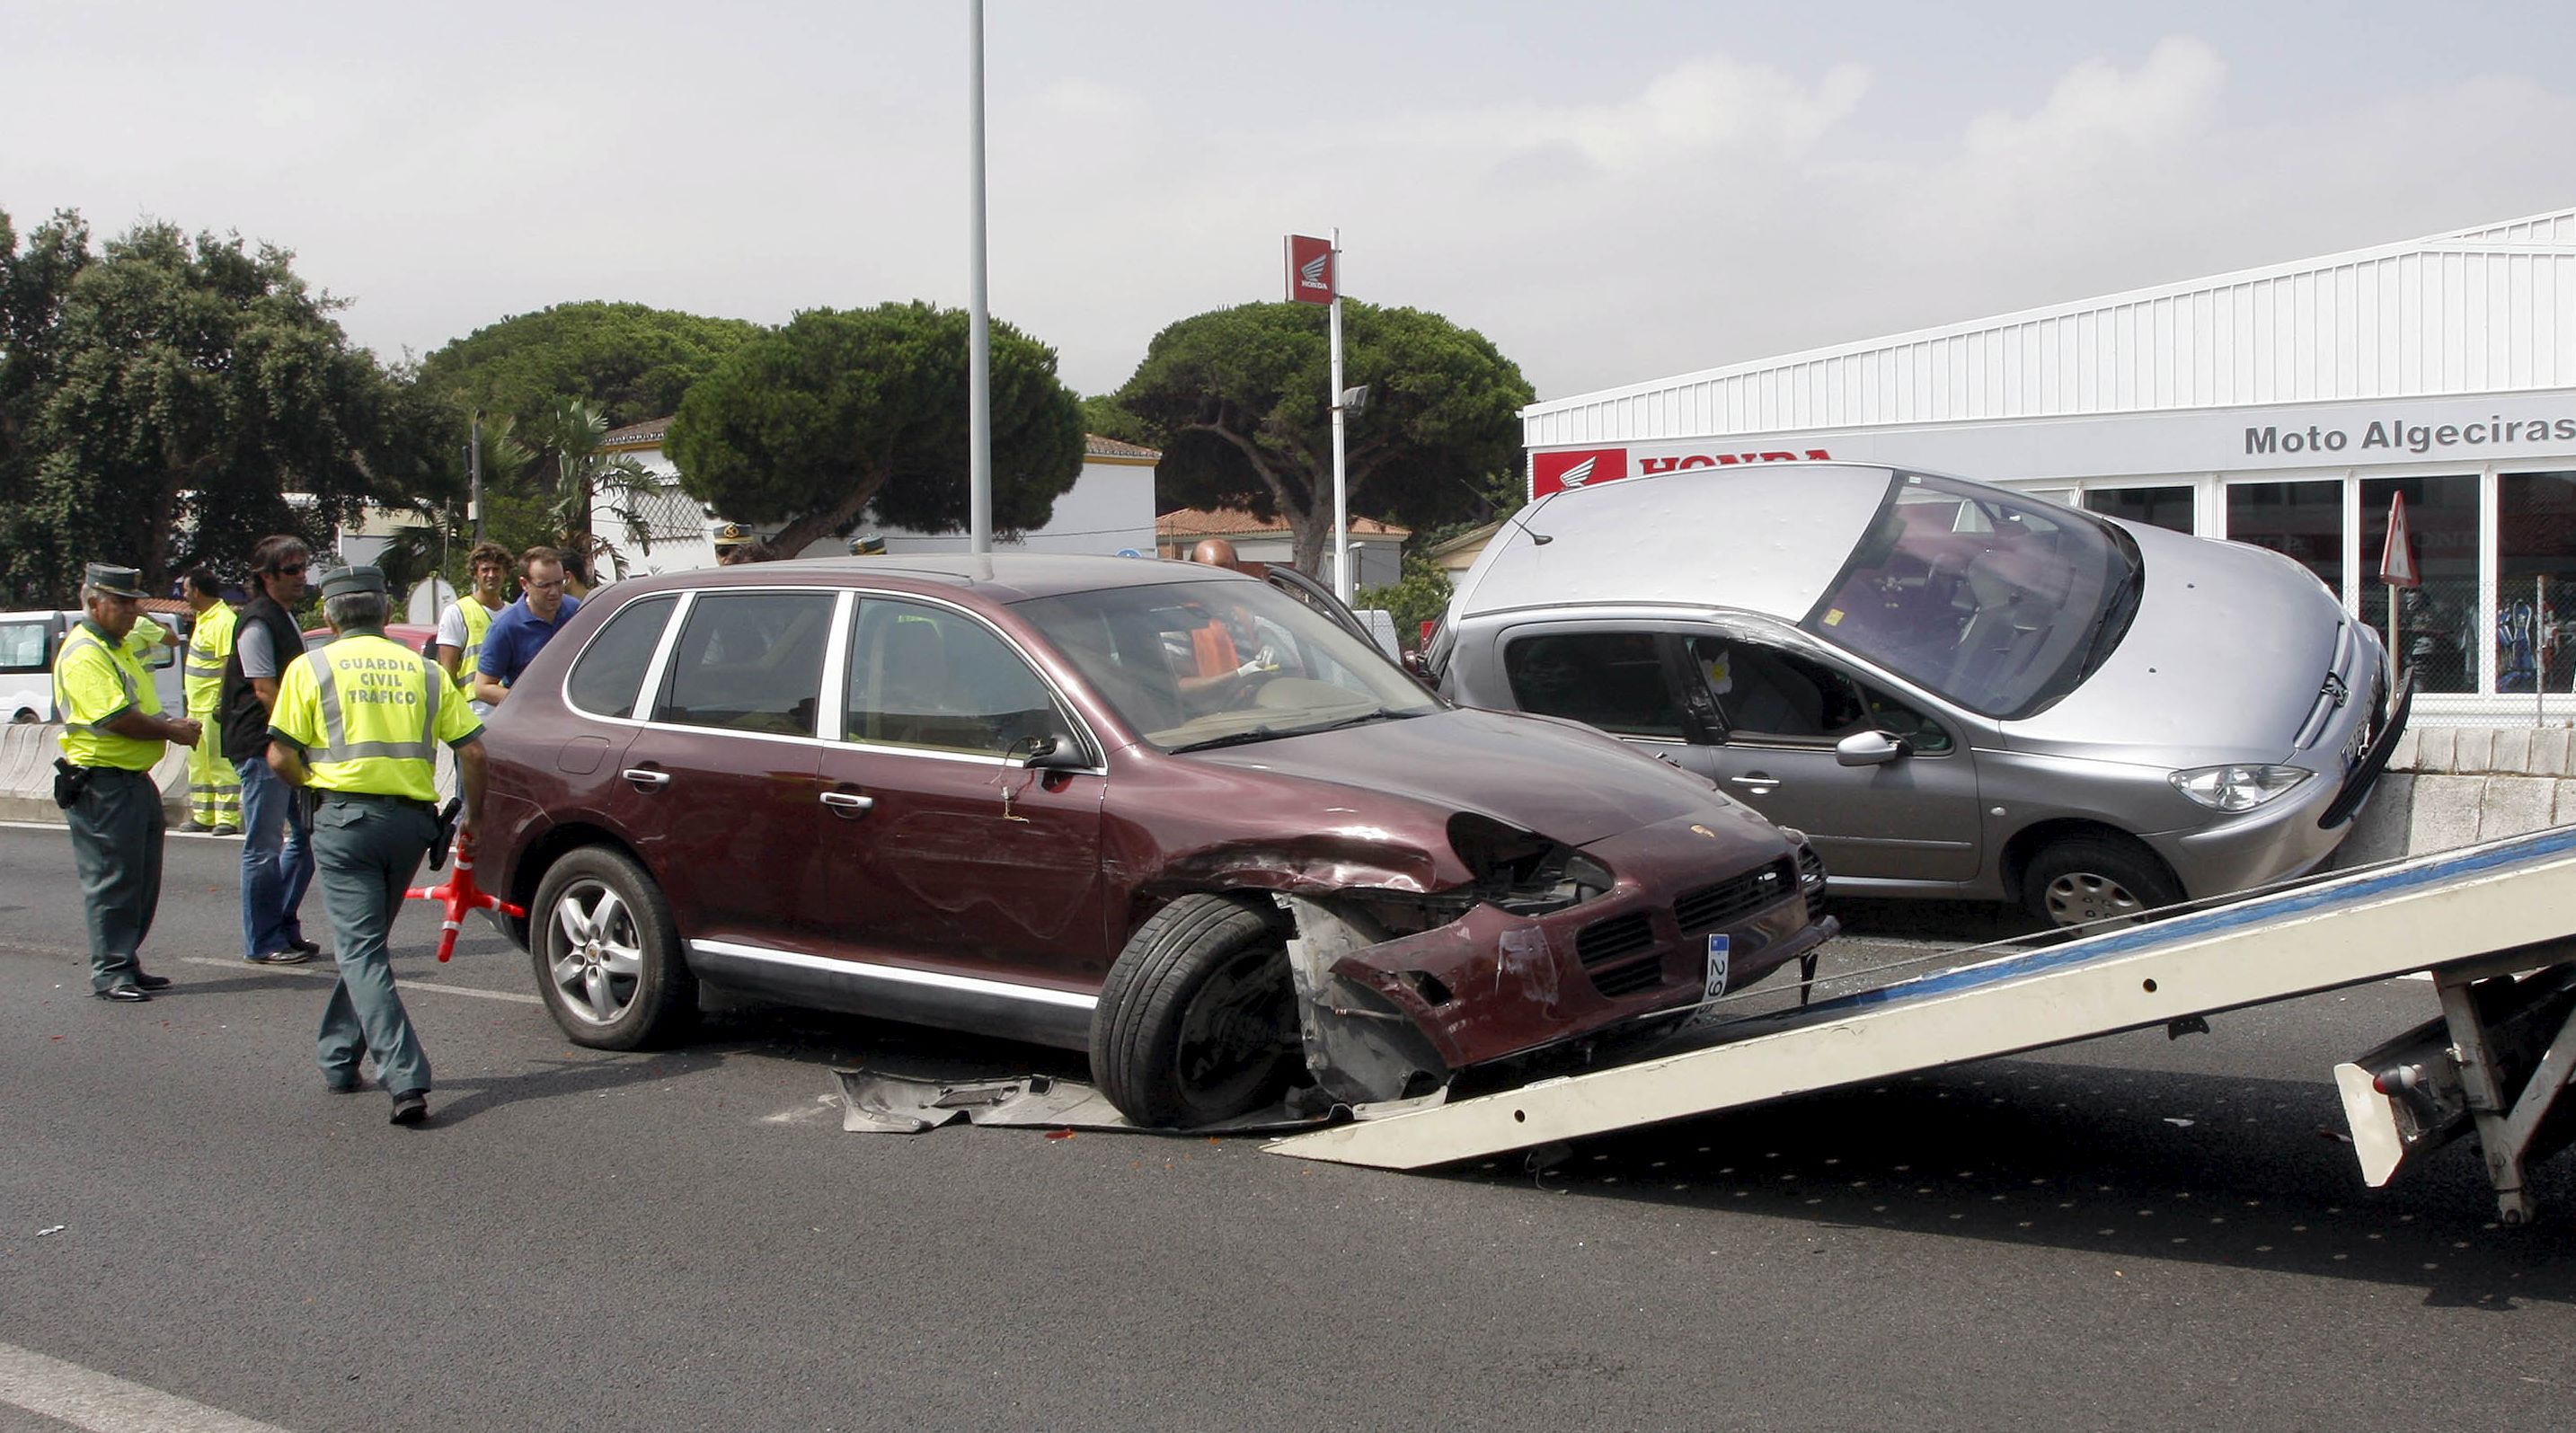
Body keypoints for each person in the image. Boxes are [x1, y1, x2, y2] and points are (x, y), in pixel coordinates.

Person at [266, 565, 486, 1126]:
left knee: (360, 951)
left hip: (344, 822)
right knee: (364, 945)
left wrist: (312, 788)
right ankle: (339, 1057)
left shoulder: (309, 667)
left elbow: (280, 756)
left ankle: (405, 1077)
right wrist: (474, 820)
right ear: (387, 614)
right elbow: (475, 752)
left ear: (328, 614)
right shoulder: (426, 671)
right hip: (411, 826)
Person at [53, 563, 202, 1002]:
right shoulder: (85, 652)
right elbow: (114, 718)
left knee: (139, 879)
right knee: (113, 880)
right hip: (102, 783)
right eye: (120, 603)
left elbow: (163, 647)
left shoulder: (115, 644)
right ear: (92, 602)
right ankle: (111, 969)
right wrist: (171, 730)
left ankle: (126, 960)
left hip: (131, 779)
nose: (130, 612)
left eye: (134, 604)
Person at [219, 535, 319, 966]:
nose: (301, 577)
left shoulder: (283, 616)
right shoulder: (258, 621)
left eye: (303, 568)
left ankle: (282, 923)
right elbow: (265, 689)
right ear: (266, 577)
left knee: (308, 836)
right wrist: (298, 735)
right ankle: (262, 940)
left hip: (285, 743)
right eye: (291, 570)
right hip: (263, 745)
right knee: (263, 847)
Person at [473, 545, 581, 707]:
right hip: (531, 722)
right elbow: (482, 688)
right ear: (525, 584)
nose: (554, 592)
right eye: (544, 585)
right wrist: (532, 702)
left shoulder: (576, 611)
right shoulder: (506, 627)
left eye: (559, 583)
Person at [178, 570, 240, 834]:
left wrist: (221, 703)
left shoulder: (224, 620)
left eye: (186, 590)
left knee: (219, 763)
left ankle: (227, 818)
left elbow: (229, 662)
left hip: (213, 707)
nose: (183, 595)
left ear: (198, 592)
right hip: (196, 707)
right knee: (198, 765)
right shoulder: (204, 618)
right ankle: (203, 815)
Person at [434, 541, 512, 715]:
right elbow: (448, 671)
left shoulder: (513, 613)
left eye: (497, 569)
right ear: (475, 574)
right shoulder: (457, 612)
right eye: (485, 570)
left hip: (508, 704)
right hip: (474, 708)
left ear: (505, 573)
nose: (491, 575)